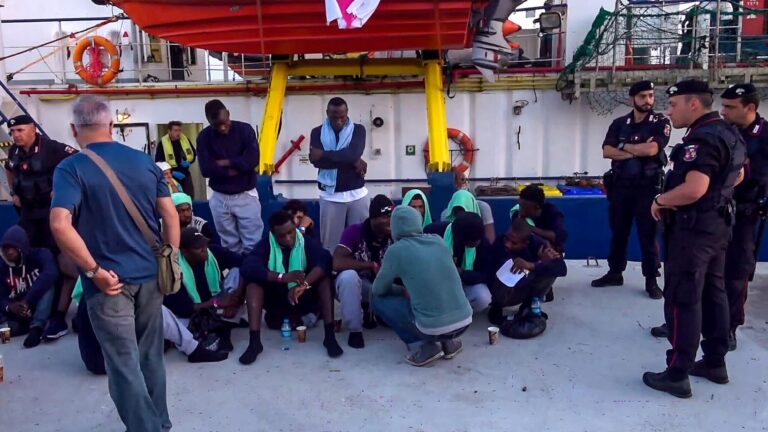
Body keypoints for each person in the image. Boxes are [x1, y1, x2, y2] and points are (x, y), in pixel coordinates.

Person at [50, 95, 180, 431]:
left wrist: (93, 271)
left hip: (108, 283)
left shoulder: (70, 168)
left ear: (74, 129)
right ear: (111, 125)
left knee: (123, 364)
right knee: (150, 356)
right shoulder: (144, 162)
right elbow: (170, 215)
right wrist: (172, 259)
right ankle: (160, 424)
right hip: (150, 274)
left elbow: (60, 224)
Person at [642, 80, 745, 398]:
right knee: (714, 293)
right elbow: (739, 175)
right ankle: (715, 362)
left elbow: (694, 188)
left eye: (674, 105)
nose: (669, 111)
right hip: (718, 226)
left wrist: (660, 201)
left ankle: (677, 373)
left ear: (693, 104)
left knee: (683, 298)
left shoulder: (701, 139)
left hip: (693, 231)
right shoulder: (730, 133)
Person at [592, 81, 670, 299]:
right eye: (643, 96)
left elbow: (652, 149)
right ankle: (615, 272)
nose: (648, 100)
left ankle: (651, 279)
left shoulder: (660, 122)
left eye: (651, 96)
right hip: (621, 188)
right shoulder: (619, 123)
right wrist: (637, 150)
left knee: (648, 236)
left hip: (647, 189)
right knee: (619, 233)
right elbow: (606, 151)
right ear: (632, 99)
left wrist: (623, 146)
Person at [4, 114, 78, 340]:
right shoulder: (14, 152)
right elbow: (9, 168)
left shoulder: (52, 148)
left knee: (62, 263)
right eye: (13, 132)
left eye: (20, 130)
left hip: (52, 213)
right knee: (30, 261)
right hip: (28, 214)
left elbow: (78, 160)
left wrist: (63, 189)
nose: (16, 135)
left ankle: (58, 315)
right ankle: (30, 309)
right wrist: (14, 193)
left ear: (33, 129)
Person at [372, 206, 472, 367]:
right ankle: (449, 344)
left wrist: (401, 291)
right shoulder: (438, 240)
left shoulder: (396, 251)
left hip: (432, 329)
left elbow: (378, 289)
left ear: (395, 227)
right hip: (464, 322)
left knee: (377, 300)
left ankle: (425, 347)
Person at [239, 211, 343, 364]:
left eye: (290, 232)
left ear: (295, 227)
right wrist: (282, 277)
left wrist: (304, 285)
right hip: (277, 300)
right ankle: (254, 343)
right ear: (273, 235)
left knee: (325, 280)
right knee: (253, 284)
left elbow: (326, 260)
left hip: (303, 298)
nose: (288, 238)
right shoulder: (266, 244)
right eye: (282, 236)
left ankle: (329, 337)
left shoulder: (306, 241)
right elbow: (248, 267)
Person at [73, 279, 228, 375]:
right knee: (153, 309)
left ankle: (186, 343)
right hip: (108, 361)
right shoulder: (112, 286)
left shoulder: (93, 284)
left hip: (97, 358)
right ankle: (193, 349)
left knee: (151, 311)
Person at [719, 84, 768, 351]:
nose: (723, 111)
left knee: (736, 272)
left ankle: (729, 326)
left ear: (750, 107)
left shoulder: (765, 135)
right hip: (715, 209)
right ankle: (689, 317)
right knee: (699, 266)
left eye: (730, 107)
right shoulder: (723, 130)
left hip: (744, 213)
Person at [197, 99, 263, 254]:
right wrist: (234, 169)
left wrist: (224, 162)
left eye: (224, 122)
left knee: (253, 244)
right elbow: (206, 169)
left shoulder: (245, 130)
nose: (222, 127)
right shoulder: (204, 137)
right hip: (220, 198)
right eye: (217, 125)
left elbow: (253, 160)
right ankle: (235, 269)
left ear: (228, 114)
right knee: (229, 246)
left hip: (246, 195)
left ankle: (251, 269)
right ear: (209, 121)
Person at [164, 227, 245, 352]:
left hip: (220, 306)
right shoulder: (174, 269)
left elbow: (246, 263)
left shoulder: (214, 251)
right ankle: (222, 327)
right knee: (179, 327)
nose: (204, 249)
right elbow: (185, 309)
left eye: (205, 244)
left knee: (237, 272)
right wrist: (216, 303)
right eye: (198, 247)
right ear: (185, 251)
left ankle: (225, 321)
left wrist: (236, 298)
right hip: (193, 313)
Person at [487, 219, 567, 336]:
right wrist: (539, 263)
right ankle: (496, 308)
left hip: (525, 287)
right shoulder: (499, 244)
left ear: (526, 243)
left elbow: (562, 268)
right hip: (503, 294)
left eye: (513, 243)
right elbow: (512, 276)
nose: (507, 244)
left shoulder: (538, 244)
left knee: (549, 271)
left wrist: (533, 265)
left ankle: (528, 306)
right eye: (507, 238)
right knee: (507, 275)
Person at [333, 194, 394, 349]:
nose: (390, 221)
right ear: (373, 218)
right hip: (358, 286)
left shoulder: (394, 233)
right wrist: (369, 265)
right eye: (385, 217)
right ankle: (355, 331)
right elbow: (337, 263)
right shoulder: (355, 231)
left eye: (391, 216)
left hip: (383, 286)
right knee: (348, 277)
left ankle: (374, 312)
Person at [310, 97, 370, 251]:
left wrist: (324, 154)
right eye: (334, 117)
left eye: (342, 117)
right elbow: (316, 162)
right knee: (330, 245)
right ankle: (332, 267)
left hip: (357, 194)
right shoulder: (317, 132)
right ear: (327, 113)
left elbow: (353, 153)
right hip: (330, 196)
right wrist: (352, 160)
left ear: (347, 112)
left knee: (361, 242)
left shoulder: (358, 130)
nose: (338, 121)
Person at [0, 225, 58, 348]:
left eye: (12, 247)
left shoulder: (41, 254)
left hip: (37, 304)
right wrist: (9, 307)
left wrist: (28, 300)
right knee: (6, 332)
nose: (9, 251)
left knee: (48, 285)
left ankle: (36, 328)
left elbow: (51, 273)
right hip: (16, 312)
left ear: (21, 245)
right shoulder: (2, 267)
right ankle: (10, 331)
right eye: (5, 248)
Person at [425, 212, 493, 313]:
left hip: (464, 283)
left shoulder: (482, 242)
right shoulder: (433, 232)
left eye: (478, 239)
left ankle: (458, 314)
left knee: (483, 298)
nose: (477, 242)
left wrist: (462, 274)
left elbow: (487, 274)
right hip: (436, 281)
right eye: (473, 240)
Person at [510, 185, 568, 252]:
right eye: (520, 205)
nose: (521, 209)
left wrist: (529, 227)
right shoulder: (516, 213)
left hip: (552, 252)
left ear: (537, 206)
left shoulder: (552, 212)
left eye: (524, 206)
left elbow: (556, 236)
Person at [445, 171, 496, 243]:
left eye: (466, 180)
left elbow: (490, 239)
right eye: (462, 180)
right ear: (455, 184)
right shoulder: (446, 214)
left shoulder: (483, 208)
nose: (465, 183)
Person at [155, 120, 197, 198]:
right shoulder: (162, 144)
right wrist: (172, 172)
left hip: (186, 175)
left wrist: (189, 162)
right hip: (171, 176)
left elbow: (194, 153)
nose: (178, 133)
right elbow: (158, 163)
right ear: (169, 131)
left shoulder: (185, 139)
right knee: (175, 198)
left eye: (179, 130)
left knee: (189, 197)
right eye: (175, 130)